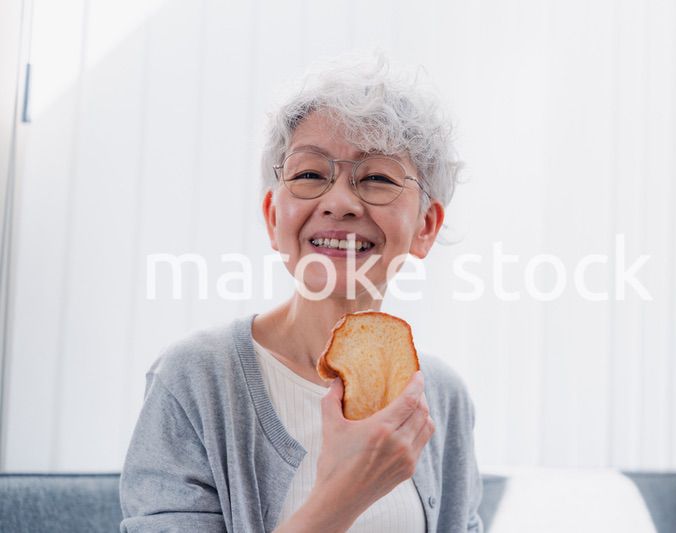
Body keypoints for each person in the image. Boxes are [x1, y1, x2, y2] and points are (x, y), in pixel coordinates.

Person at [119, 59, 483, 532]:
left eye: (377, 178)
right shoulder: (194, 379)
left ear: (425, 226)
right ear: (274, 217)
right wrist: (343, 495)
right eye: (310, 174)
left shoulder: (442, 395)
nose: (340, 202)